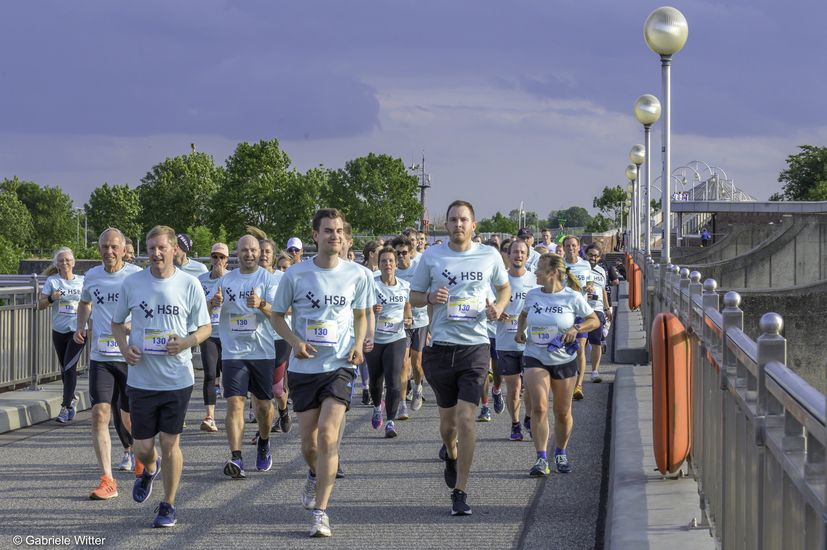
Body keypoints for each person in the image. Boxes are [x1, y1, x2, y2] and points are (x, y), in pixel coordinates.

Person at [270, 208, 369, 537]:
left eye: (339, 231)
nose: (335, 236)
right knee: (309, 445)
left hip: (339, 366)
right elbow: (277, 316)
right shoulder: (295, 275)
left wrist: (358, 343)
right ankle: (314, 474)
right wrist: (295, 341)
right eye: (328, 231)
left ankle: (322, 513)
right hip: (304, 368)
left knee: (328, 435)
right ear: (315, 235)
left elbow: (361, 314)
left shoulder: (357, 274)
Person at [410, 200, 510, 516]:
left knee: (467, 418)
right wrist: (428, 297)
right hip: (440, 349)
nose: (458, 225)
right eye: (452, 220)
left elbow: (504, 288)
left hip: (475, 347)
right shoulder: (432, 256)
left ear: (473, 224)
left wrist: (499, 307)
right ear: (447, 225)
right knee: (448, 424)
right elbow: (413, 295)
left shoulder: (489, 255)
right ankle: (451, 453)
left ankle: (461, 491)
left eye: (463, 220)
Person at [112, 225, 211, 528]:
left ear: (173, 250)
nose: (156, 253)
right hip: (141, 379)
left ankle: (168, 503)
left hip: (177, 379)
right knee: (143, 448)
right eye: (151, 248)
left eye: (161, 248)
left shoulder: (189, 283)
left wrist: (185, 343)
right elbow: (117, 323)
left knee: (171, 443)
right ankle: (149, 468)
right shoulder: (133, 283)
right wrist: (124, 347)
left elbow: (205, 328)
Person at [73, 228, 143, 500]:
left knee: (129, 416)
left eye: (114, 247)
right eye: (104, 247)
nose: (109, 252)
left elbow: (147, 308)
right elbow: (84, 303)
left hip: (129, 355)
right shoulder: (91, 276)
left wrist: (130, 325)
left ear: (125, 249)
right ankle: (107, 480)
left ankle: (142, 454)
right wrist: (80, 325)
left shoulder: (136, 277)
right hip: (101, 357)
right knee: (100, 414)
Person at [515, 253, 599, 476]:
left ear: (552, 272)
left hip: (563, 359)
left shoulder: (572, 297)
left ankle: (560, 452)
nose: (535, 272)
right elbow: (523, 315)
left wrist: (575, 329)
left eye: (539, 269)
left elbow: (594, 320)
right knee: (539, 407)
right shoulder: (532, 295)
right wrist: (520, 332)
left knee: (562, 412)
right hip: (535, 355)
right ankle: (541, 458)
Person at [217, 235, 278, 477]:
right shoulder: (226, 280)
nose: (250, 254)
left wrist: (261, 303)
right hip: (233, 352)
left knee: (263, 407)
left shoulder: (268, 279)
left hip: (262, 351)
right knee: (235, 402)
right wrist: (214, 302)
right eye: (245, 250)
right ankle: (236, 457)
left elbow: (280, 312)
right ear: (237, 253)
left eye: (254, 250)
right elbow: (209, 306)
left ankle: (264, 442)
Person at [366, 246, 412, 438]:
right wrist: (372, 310)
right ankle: (378, 406)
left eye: (391, 261)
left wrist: (409, 319)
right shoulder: (372, 285)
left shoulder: (404, 286)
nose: (388, 264)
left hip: (396, 337)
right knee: (375, 381)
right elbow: (361, 309)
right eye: (384, 261)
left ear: (396, 264)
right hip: (375, 338)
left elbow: (407, 308)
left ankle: (391, 422)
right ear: (379, 263)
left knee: (393, 380)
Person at [495, 239, 538, 441]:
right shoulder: (499, 279)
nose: (518, 255)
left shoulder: (534, 280)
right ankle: (515, 424)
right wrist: (496, 311)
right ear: (508, 255)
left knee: (529, 386)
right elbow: (488, 306)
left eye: (522, 252)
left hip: (530, 343)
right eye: (514, 252)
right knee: (514, 389)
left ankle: (528, 417)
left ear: (527, 256)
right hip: (506, 341)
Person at [39, 247, 85, 423]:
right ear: (56, 264)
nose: (64, 263)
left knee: (69, 367)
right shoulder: (53, 281)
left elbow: (91, 304)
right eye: (61, 261)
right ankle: (72, 399)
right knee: (64, 369)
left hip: (78, 331)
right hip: (59, 331)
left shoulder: (83, 281)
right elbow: (40, 304)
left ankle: (66, 407)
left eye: (67, 260)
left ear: (73, 262)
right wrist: (52, 298)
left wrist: (89, 326)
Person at [258, 237, 291, 434]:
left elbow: (289, 309)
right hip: (257, 339)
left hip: (280, 337)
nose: (263, 255)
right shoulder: (249, 277)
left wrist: (263, 305)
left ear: (273, 256)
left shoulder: (283, 278)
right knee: (261, 390)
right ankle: (263, 428)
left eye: (267, 251)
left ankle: (284, 410)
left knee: (277, 389)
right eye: (260, 251)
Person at [392, 235, 429, 413]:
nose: (400, 256)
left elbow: (428, 296)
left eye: (404, 252)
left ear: (410, 252)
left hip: (421, 320)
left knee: (417, 363)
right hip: (401, 323)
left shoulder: (419, 268)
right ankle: (402, 404)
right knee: (403, 364)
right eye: (397, 253)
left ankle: (418, 388)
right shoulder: (393, 272)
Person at [197, 243, 229, 433]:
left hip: (229, 333)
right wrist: (211, 303)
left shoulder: (233, 279)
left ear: (227, 260)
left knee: (231, 375)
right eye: (215, 257)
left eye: (222, 258)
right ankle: (210, 416)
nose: (218, 261)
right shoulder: (200, 281)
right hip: (208, 332)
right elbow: (197, 312)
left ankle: (236, 413)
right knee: (210, 374)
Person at [562, 235, 594, 401]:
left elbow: (591, 283)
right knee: (566, 349)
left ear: (578, 246)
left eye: (573, 245)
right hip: (564, 313)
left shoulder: (585, 264)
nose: (571, 248)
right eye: (567, 246)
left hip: (582, 313)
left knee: (580, 347)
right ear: (563, 248)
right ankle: (566, 381)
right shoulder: (560, 265)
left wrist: (589, 287)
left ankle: (579, 385)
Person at [584, 244, 612, 382]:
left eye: (595, 255)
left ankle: (594, 371)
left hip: (598, 310)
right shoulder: (581, 268)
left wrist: (607, 308)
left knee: (596, 342)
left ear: (599, 257)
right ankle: (579, 370)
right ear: (585, 254)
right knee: (580, 342)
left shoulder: (602, 271)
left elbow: (603, 291)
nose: (593, 258)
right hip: (582, 309)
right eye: (590, 255)